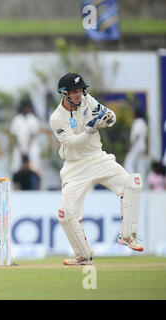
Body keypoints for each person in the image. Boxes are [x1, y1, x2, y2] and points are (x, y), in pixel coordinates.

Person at [50, 72, 144, 266]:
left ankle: (127, 235)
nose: (78, 95)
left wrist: (109, 119)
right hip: (74, 166)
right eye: (74, 92)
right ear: (64, 94)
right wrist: (91, 128)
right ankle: (83, 255)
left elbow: (110, 116)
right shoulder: (56, 118)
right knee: (66, 213)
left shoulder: (87, 100)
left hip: (98, 158)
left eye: (80, 91)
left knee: (132, 184)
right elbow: (73, 144)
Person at [10, 97, 41, 174]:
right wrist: (21, 149)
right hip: (19, 148)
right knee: (16, 168)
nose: (26, 109)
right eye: (25, 107)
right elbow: (15, 136)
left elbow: (33, 135)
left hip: (31, 148)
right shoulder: (17, 119)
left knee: (34, 168)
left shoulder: (33, 119)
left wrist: (27, 149)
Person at [124, 107, 148, 182]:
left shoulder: (138, 122)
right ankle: (142, 184)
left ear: (136, 114)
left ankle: (133, 181)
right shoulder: (143, 122)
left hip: (136, 146)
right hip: (142, 146)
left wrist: (131, 146)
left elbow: (137, 135)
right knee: (140, 165)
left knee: (128, 163)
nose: (132, 115)